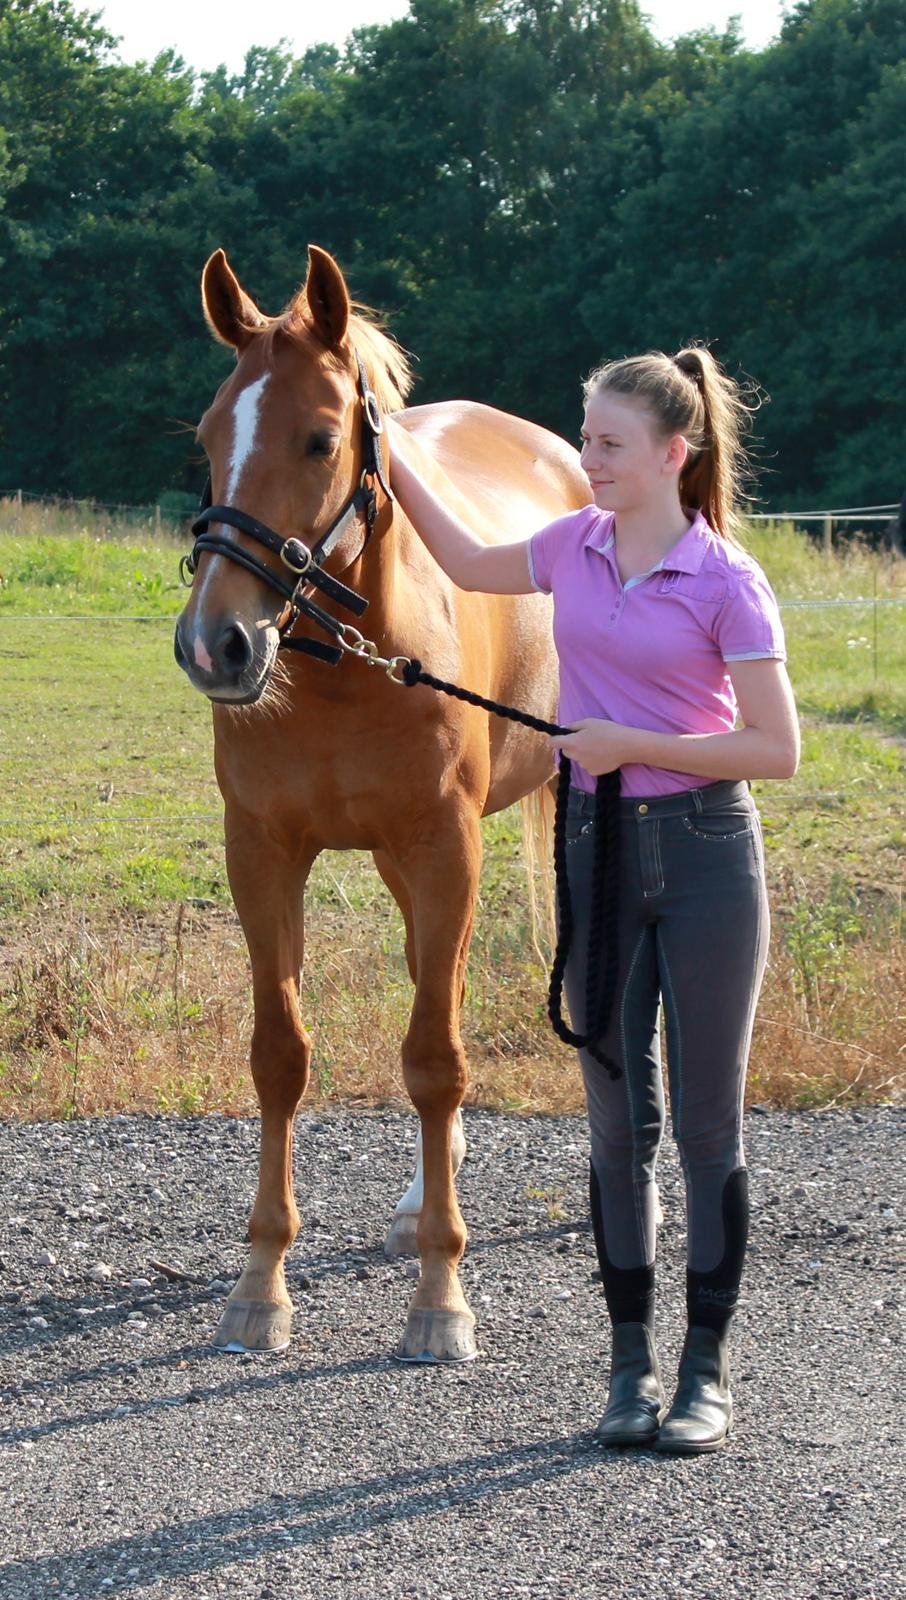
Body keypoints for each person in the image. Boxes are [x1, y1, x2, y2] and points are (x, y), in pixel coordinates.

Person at [387, 347, 799, 1454]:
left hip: (707, 853)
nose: (588, 458)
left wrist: (629, 743)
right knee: (618, 1129)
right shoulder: (572, 543)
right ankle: (628, 1370)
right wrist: (385, 442)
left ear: (673, 454)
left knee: (707, 1128)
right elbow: (465, 558)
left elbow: (778, 749)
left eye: (609, 443)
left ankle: (704, 1373)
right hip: (598, 850)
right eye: (586, 437)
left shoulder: (726, 579)